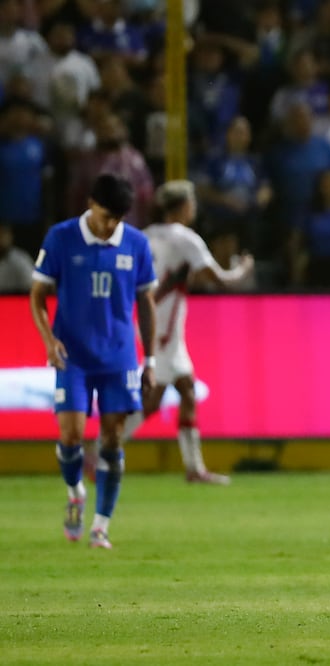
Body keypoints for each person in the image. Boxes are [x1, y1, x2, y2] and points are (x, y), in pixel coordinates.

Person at [29, 174, 158, 550]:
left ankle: (101, 526)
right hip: (73, 356)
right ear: (89, 203)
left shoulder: (136, 243)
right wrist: (49, 340)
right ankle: (75, 494)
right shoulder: (61, 237)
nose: (110, 225)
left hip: (118, 357)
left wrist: (147, 358)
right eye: (105, 216)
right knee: (70, 436)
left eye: (118, 218)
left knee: (113, 437)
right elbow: (37, 294)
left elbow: (145, 303)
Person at [110, 181, 254, 484]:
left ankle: (194, 468)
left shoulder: (145, 235)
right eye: (192, 204)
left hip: (152, 320)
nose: (194, 210)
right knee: (153, 399)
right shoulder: (186, 239)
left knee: (187, 390)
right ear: (183, 208)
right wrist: (243, 268)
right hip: (164, 328)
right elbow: (221, 280)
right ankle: (103, 449)